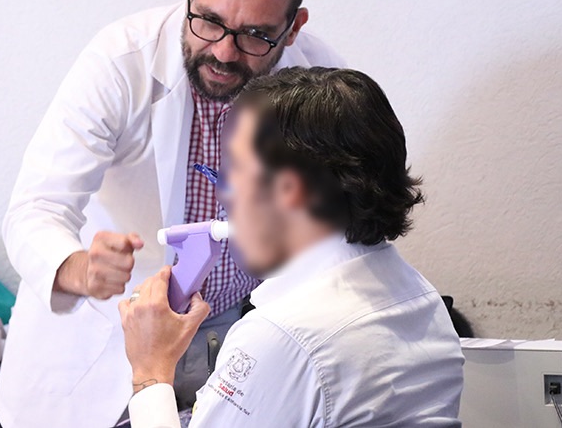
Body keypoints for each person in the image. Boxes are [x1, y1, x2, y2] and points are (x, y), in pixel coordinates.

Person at [0, 0, 344, 428]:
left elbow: (337, 219)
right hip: (110, 340)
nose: (223, 51)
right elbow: (35, 208)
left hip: (241, 339)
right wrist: (80, 269)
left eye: (255, 36)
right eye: (209, 20)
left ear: (293, 27)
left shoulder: (319, 82)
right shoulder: (121, 62)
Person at [120, 67, 465, 427]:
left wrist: (150, 370)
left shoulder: (282, 338)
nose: (223, 200)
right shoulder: (423, 299)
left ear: (289, 191)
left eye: (230, 178)